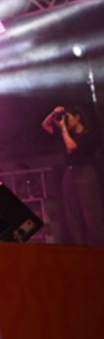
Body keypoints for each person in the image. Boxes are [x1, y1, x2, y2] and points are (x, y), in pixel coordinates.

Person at [41, 105, 103, 246]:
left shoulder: (89, 135)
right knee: (72, 214)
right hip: (70, 173)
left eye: (68, 118)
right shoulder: (66, 134)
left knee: (91, 213)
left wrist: (63, 128)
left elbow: (72, 146)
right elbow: (45, 125)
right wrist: (54, 113)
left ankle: (98, 247)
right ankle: (80, 247)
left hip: (86, 172)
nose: (66, 121)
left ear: (78, 118)